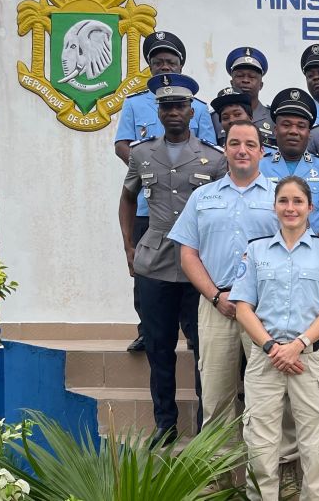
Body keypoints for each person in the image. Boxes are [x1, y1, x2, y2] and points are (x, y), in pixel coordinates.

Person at [117, 73, 227, 446]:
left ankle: (203, 429)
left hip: (199, 264)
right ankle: (165, 424)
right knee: (159, 346)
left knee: (203, 349)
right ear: (159, 113)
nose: (173, 112)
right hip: (155, 259)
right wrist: (129, 245)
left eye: (180, 106)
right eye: (166, 107)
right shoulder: (143, 153)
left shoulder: (214, 159)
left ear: (192, 110)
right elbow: (128, 197)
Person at [231, 175, 319, 500]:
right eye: (284, 201)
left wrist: (296, 346)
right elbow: (242, 308)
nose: (290, 208)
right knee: (261, 450)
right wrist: (272, 348)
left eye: (298, 201)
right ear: (275, 206)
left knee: (315, 452)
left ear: (311, 207)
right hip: (265, 361)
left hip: (308, 360)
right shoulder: (255, 252)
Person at [168, 119, 278, 438]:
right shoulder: (203, 197)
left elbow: (297, 252)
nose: (242, 150)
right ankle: (219, 482)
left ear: (262, 152)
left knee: (269, 399)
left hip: (265, 309)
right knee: (216, 399)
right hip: (217, 306)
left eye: (250, 144)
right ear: (224, 150)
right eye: (234, 144)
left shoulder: (280, 196)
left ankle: (273, 485)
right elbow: (188, 254)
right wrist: (216, 296)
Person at [115, 30, 214, 353]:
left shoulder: (197, 107)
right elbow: (122, 145)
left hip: (190, 211)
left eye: (170, 61)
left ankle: (190, 331)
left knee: (191, 284)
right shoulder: (135, 104)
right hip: (150, 206)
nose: (163, 66)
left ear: (181, 65)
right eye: (157, 62)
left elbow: (210, 151)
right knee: (148, 277)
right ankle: (148, 330)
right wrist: (150, 169)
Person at [260, 88, 319, 241]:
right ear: (275, 130)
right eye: (286, 125)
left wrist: (317, 251)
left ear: (309, 132)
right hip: (266, 254)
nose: (294, 131)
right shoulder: (259, 167)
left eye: (301, 126)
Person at [211, 47, 275, 146]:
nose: (245, 80)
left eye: (252, 76)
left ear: (261, 85)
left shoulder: (273, 117)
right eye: (240, 76)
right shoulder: (215, 118)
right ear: (231, 83)